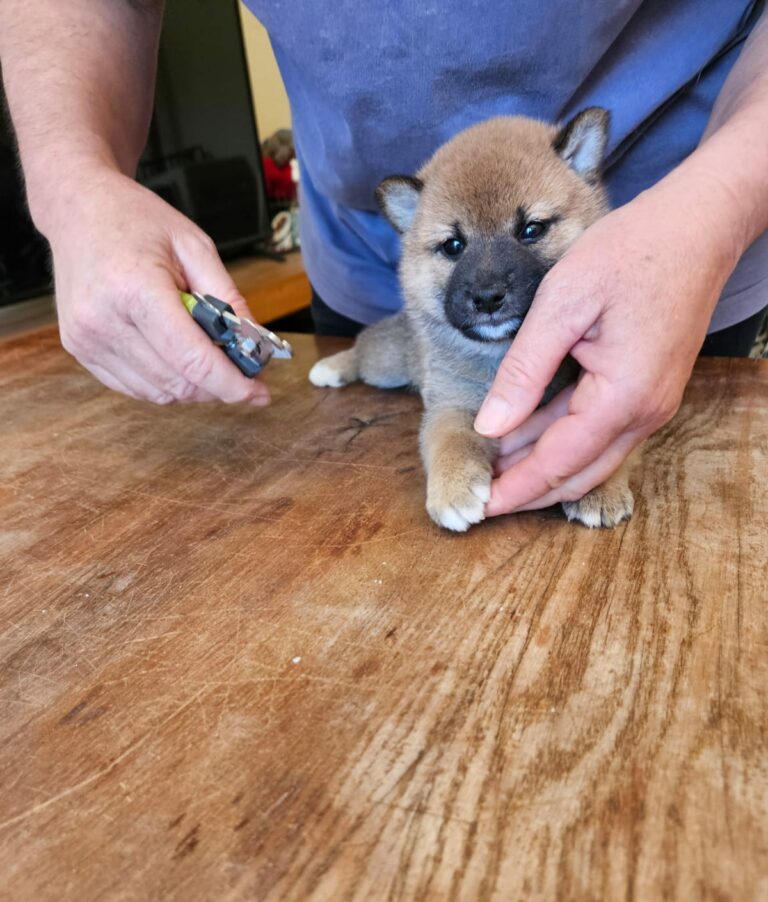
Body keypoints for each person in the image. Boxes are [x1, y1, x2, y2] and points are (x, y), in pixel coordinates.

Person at [1, 1, 766, 519]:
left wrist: (719, 204)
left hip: (678, 241)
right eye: (456, 248)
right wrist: (73, 183)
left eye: (532, 230)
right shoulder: (410, 248)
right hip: (357, 247)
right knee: (391, 355)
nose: (493, 282)